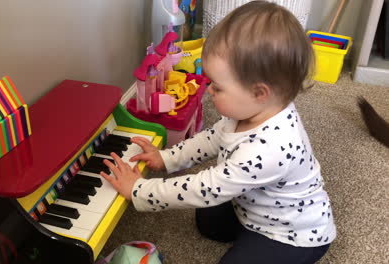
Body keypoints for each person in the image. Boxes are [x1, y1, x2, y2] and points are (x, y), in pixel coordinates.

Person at [101, 1, 336, 263]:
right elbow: (211, 139)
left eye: (218, 87)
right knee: (208, 221)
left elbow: (205, 188)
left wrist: (139, 190)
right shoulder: (251, 111)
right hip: (253, 205)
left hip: (291, 235)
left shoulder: (270, 148)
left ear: (259, 93)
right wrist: (167, 158)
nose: (209, 90)